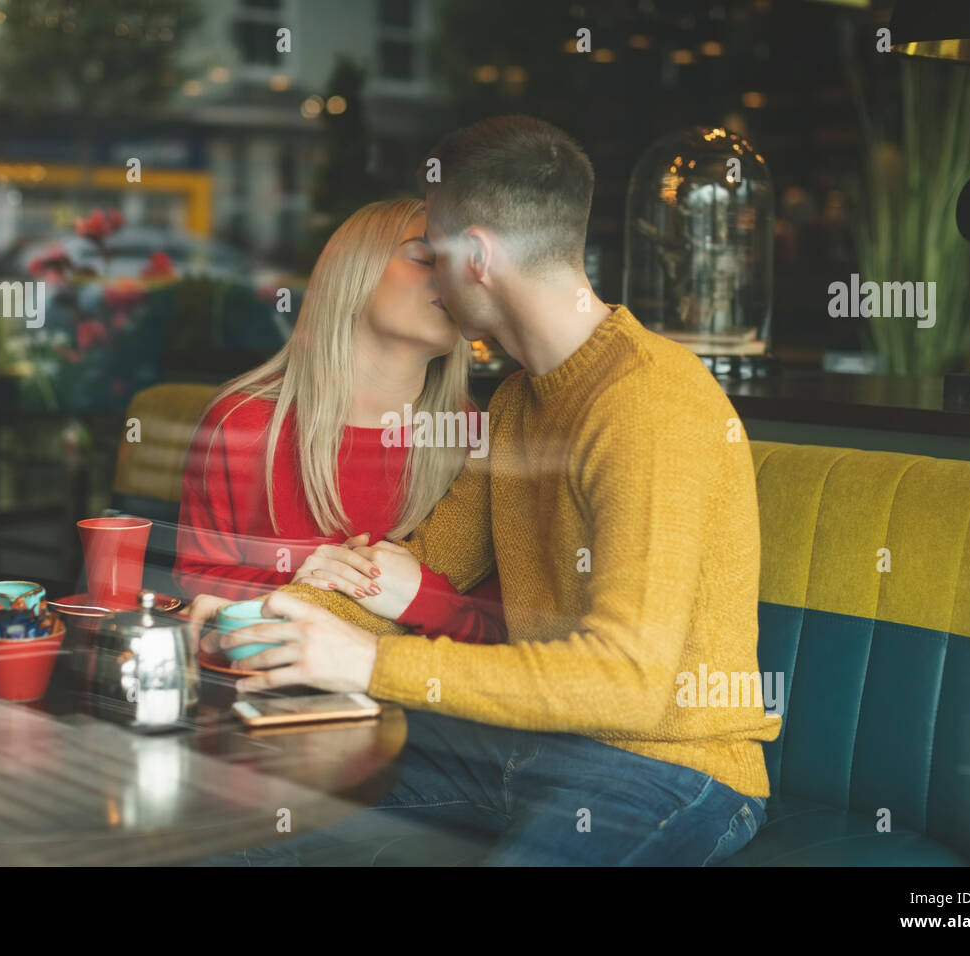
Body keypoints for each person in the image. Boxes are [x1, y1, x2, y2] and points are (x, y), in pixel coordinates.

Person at [191, 116, 780, 865]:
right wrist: (264, 624)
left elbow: (628, 683)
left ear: (475, 256)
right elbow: (415, 564)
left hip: (668, 765)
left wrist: (365, 665)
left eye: (433, 251)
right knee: (232, 821)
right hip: (520, 745)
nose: (431, 277)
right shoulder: (517, 404)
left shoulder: (650, 403)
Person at [176, 197, 504, 647]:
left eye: (463, 265)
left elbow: (498, 631)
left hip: (412, 702)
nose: (452, 277)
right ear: (352, 273)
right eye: (426, 257)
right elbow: (194, 586)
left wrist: (417, 597)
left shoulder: (472, 434)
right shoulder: (244, 421)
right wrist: (299, 581)